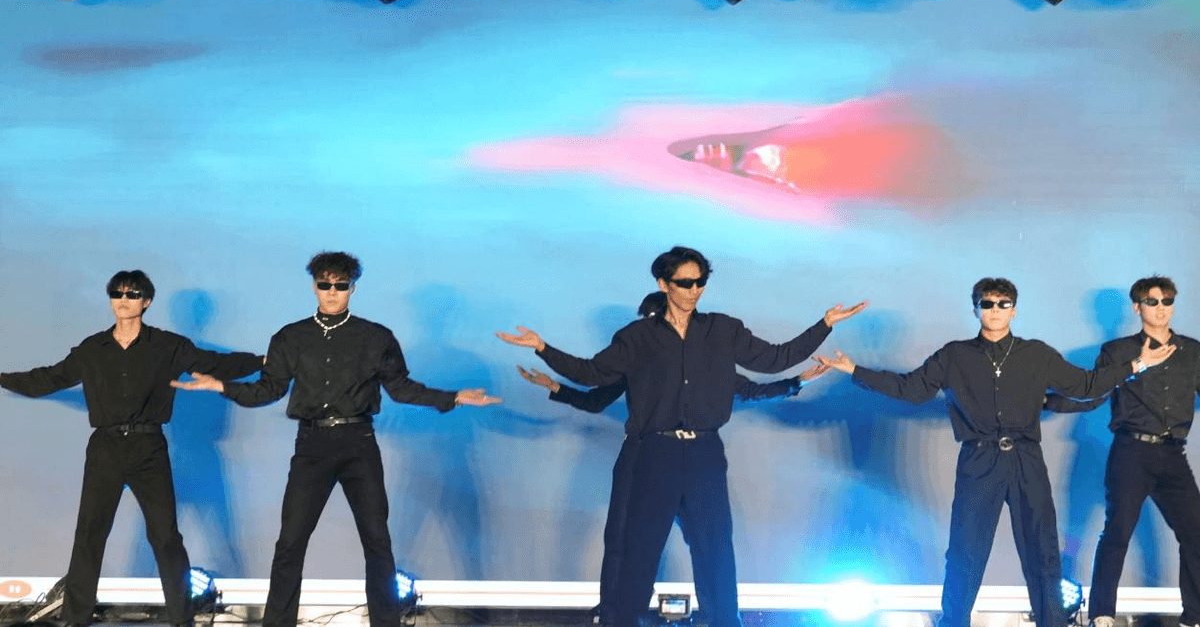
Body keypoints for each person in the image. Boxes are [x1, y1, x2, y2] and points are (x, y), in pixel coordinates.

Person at [497, 246, 866, 627]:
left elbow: (775, 358)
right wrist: (543, 348)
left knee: (715, 548)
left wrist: (824, 324)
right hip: (655, 453)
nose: (694, 290)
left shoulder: (722, 331)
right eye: (685, 283)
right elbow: (591, 374)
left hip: (705, 452)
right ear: (664, 284)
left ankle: (724, 622)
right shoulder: (637, 338)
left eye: (700, 282)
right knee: (639, 550)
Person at [815, 277, 1177, 627]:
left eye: (1003, 304)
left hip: (1025, 459)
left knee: (1042, 552)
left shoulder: (1036, 354)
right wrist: (853, 369)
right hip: (979, 460)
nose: (995, 310)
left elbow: (1085, 385)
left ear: (1014, 310)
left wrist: (1137, 364)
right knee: (965, 552)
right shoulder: (955, 355)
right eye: (987, 304)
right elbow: (911, 388)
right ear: (976, 310)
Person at [173, 252, 500, 627]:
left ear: (352, 288)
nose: (332, 292)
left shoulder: (376, 337)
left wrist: (453, 397)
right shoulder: (291, 337)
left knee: (377, 541)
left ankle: (385, 623)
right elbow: (267, 390)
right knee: (290, 542)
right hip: (312, 445)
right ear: (314, 287)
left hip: (358, 443)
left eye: (340, 285)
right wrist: (222, 386)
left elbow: (401, 388)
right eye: (324, 284)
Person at [0, 270, 264, 627]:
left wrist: (264, 361)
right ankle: (76, 619)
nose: (123, 300)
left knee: (166, 537)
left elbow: (216, 363)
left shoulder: (168, 346)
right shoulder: (93, 348)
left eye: (132, 294)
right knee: (89, 535)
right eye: (117, 293)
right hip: (105, 447)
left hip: (148, 447)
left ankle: (182, 621)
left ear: (146, 301)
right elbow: (49, 378)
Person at [1044, 276, 1200, 627]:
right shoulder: (1118, 352)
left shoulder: (1192, 352)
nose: (1161, 308)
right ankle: (1102, 614)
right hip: (1131, 451)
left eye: (1167, 301)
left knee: (1195, 534)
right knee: (1117, 533)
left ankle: (1194, 617)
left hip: (1173, 454)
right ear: (1137, 307)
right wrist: (1043, 401)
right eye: (1153, 301)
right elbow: (1092, 395)